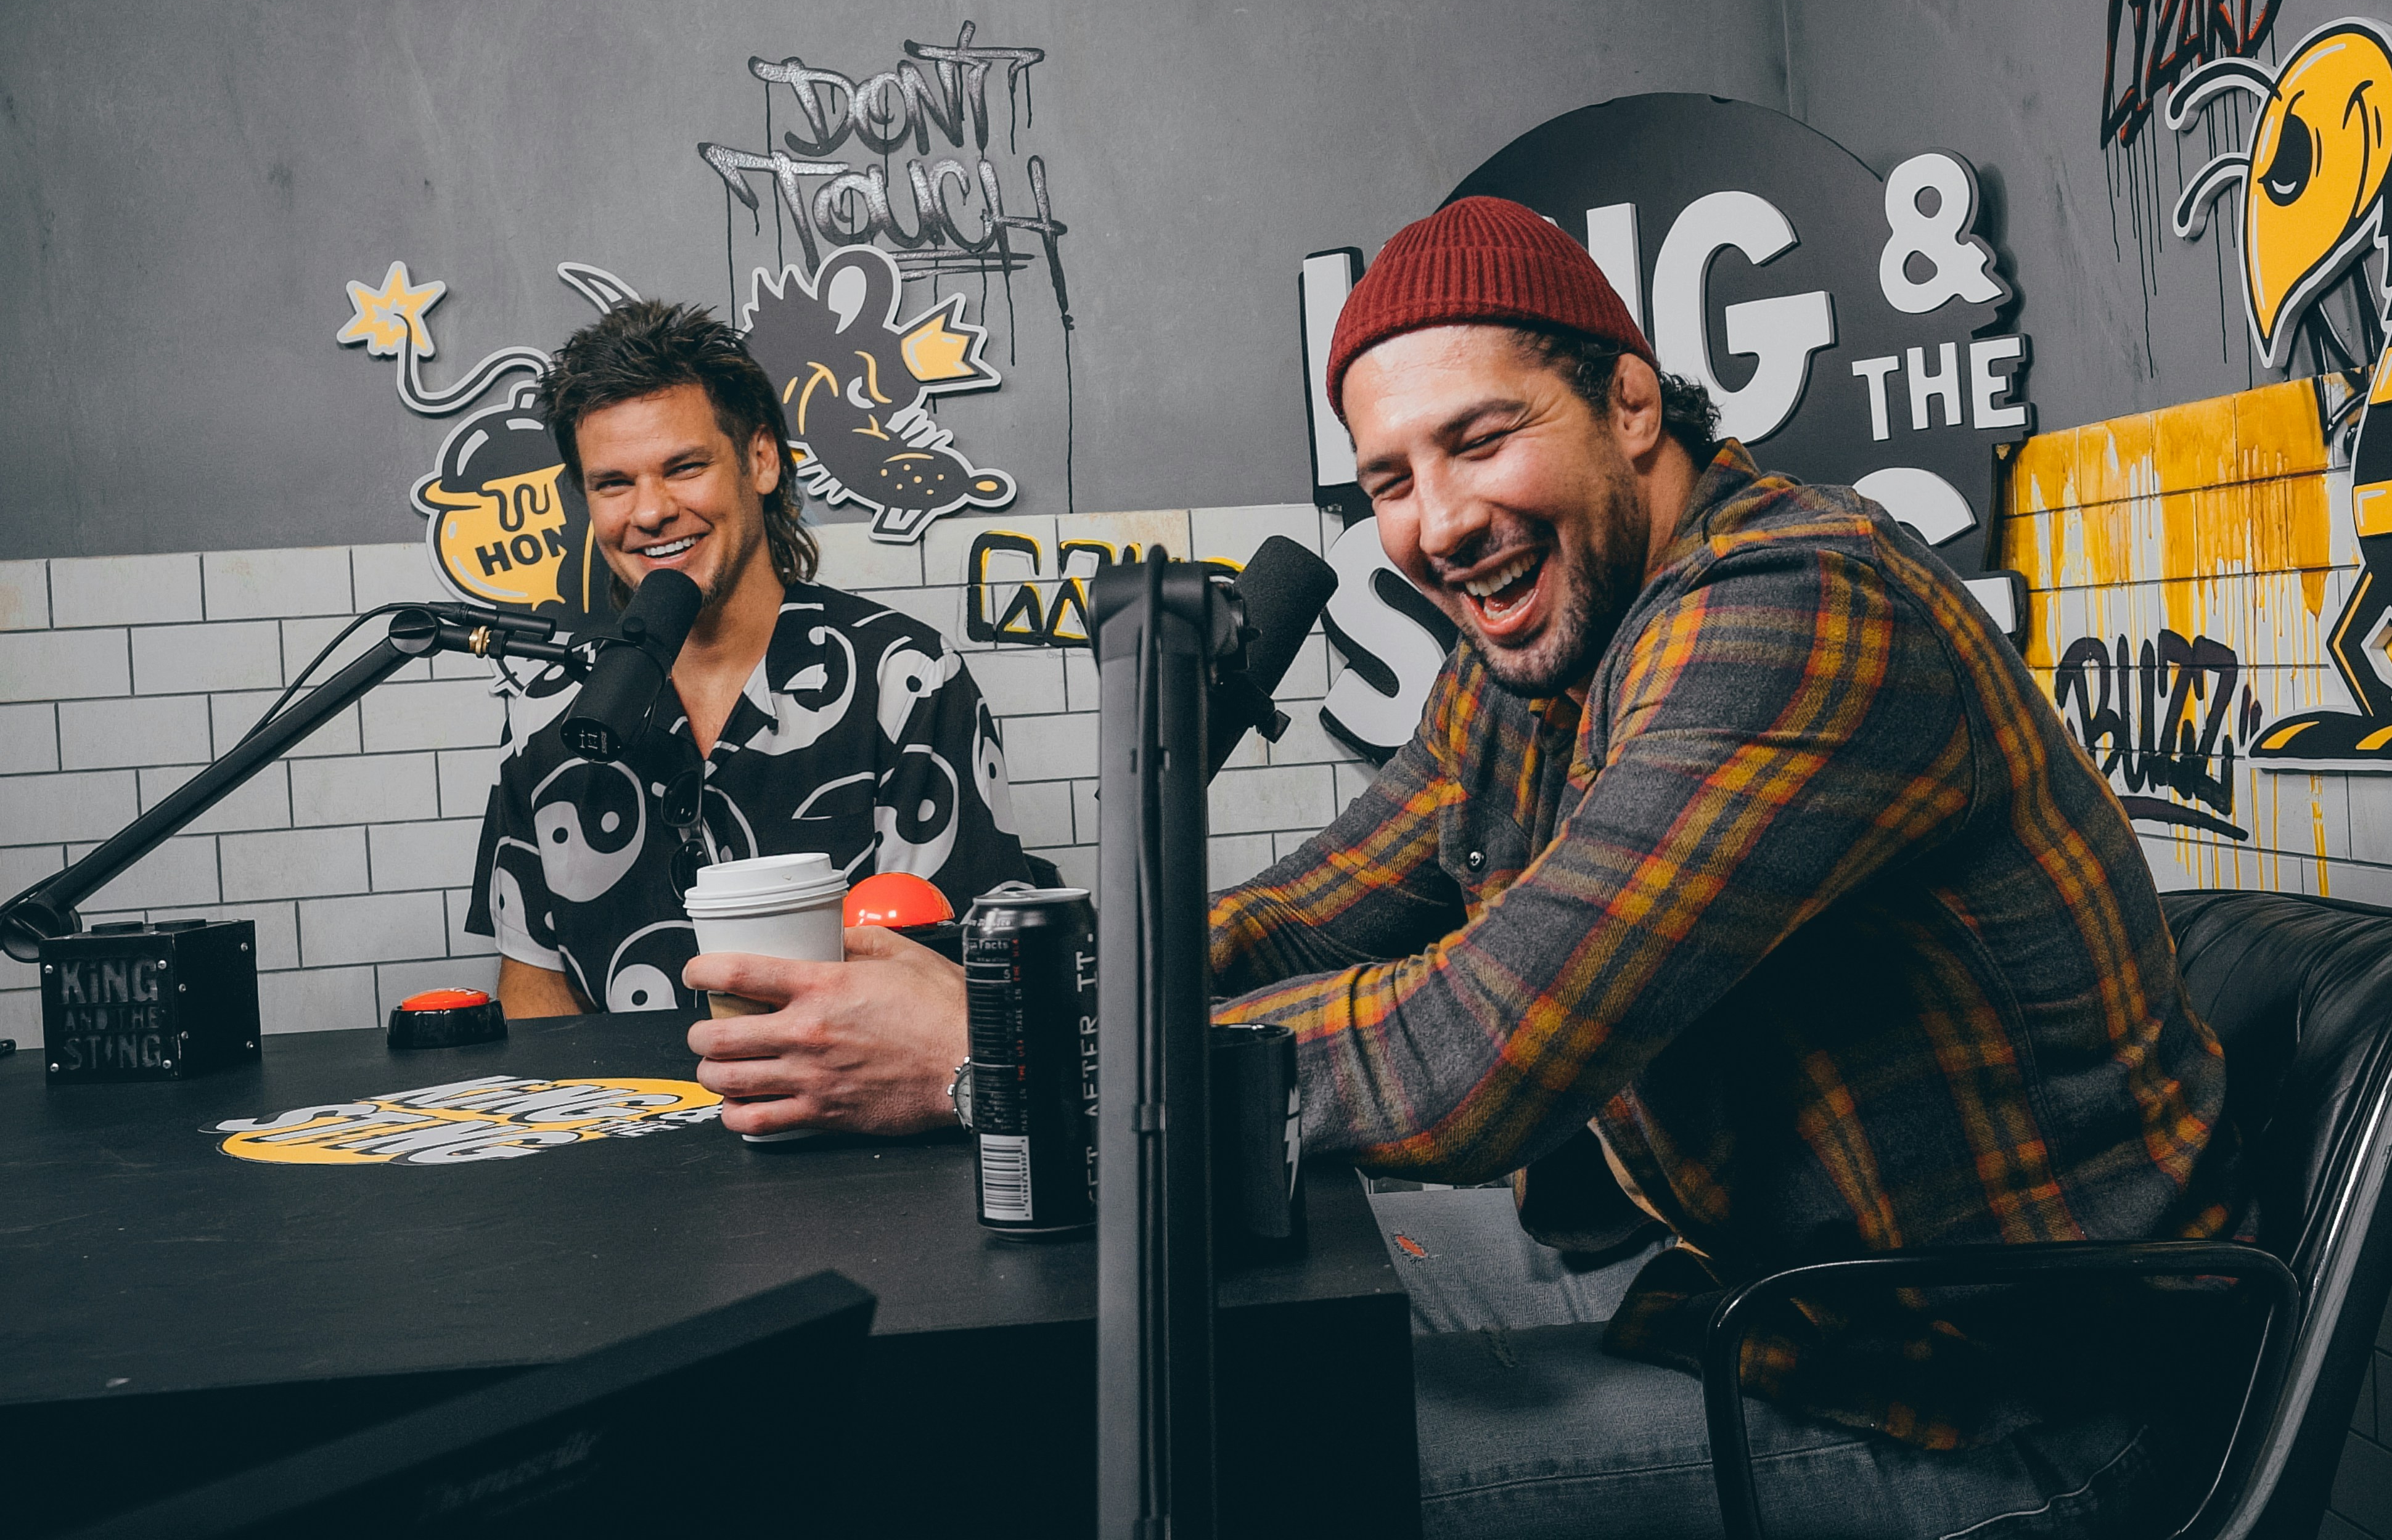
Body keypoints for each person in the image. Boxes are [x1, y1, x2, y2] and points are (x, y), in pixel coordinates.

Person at [689, 200, 2237, 1536]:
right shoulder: (1540, 652)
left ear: (1631, 402)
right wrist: (1006, 976)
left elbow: (1472, 1048)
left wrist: (1000, 1064)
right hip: (1724, 1293)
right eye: (1388, 481)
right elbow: (1305, 911)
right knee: (1234, 1326)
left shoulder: (1792, 611)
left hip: (1993, 1409)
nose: (1438, 525)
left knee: (1269, 1457)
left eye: (1481, 440)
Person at [468, 300, 1029, 1027]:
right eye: (613, 484)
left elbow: (954, 983)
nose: (649, 512)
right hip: (625, 1102)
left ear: (761, 460)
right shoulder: (552, 707)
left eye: (684, 468)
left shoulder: (903, 677)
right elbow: (533, 984)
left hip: (853, 1097)